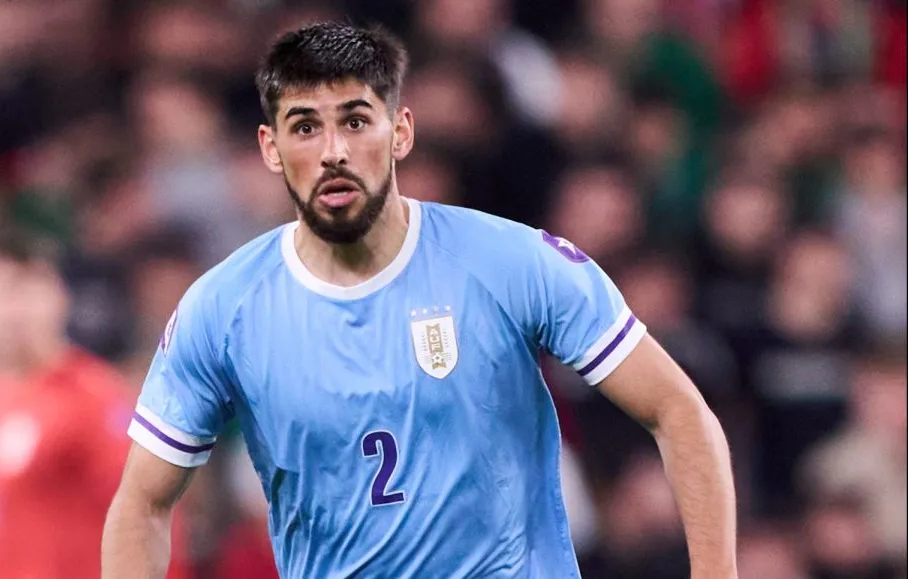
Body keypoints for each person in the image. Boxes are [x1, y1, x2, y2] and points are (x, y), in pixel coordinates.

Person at [103, 22, 738, 578]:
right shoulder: (223, 309)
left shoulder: (513, 263)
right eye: (305, 127)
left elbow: (678, 410)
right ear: (271, 148)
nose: (333, 152)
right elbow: (142, 503)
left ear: (400, 131)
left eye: (355, 121)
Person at [0, 237, 192, 579]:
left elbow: (151, 510)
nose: (13, 313)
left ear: (60, 298)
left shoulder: (94, 398)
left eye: (28, 290)